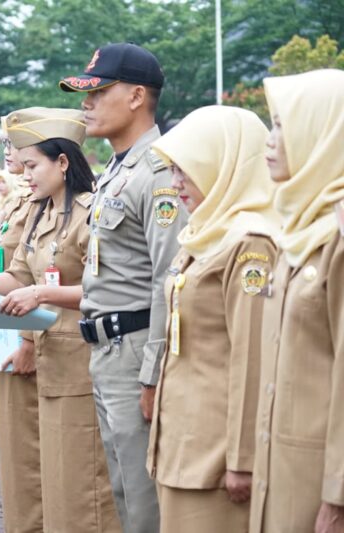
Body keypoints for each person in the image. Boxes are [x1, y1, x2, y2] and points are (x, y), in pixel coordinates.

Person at [0, 107, 119, 532]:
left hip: (80, 364)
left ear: (63, 162)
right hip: (53, 359)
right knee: (55, 482)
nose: (25, 175)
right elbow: (16, 277)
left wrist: (41, 293)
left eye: (32, 165)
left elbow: (110, 289)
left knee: (84, 487)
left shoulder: (89, 213)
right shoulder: (41, 213)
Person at [60, 42, 188, 532]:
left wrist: (153, 374)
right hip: (109, 348)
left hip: (135, 350)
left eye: (97, 92)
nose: (85, 104)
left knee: (144, 498)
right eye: (84, 94)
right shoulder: (119, 168)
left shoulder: (157, 173)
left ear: (137, 96)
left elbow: (168, 278)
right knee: (123, 492)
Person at [143, 106, 279, 533]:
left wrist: (243, 458)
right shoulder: (205, 234)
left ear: (223, 166)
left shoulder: (251, 243)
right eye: (173, 171)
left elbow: (252, 357)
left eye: (187, 171)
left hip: (216, 455)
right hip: (182, 441)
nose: (176, 184)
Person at [250, 69, 344, 533]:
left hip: (319, 484)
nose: (269, 141)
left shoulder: (337, 240)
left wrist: (338, 497)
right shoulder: (298, 230)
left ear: (323, 133)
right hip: (280, 466)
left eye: (283, 124)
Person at [0, 114, 44, 532]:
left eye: (14, 144)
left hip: (33, 328)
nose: (8, 152)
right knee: (16, 447)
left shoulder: (45, 200)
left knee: (32, 449)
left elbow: (44, 276)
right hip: (6, 319)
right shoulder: (19, 199)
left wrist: (28, 338)